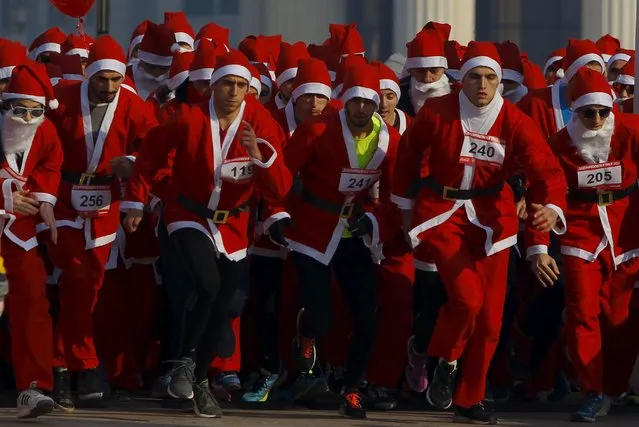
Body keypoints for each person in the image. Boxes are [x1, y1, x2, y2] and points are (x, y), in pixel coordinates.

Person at [391, 41, 568, 424]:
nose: (483, 85)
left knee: (490, 319)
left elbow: (548, 174)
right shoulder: (437, 112)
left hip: (493, 220)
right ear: (461, 80)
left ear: (500, 81)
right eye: (475, 77)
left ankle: (469, 398)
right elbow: (405, 159)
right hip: (442, 215)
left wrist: (550, 210)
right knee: (467, 300)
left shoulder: (515, 121)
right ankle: (443, 355)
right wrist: (405, 211)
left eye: (490, 78)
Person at [122, 49, 290, 418]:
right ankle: (182, 361)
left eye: (241, 86)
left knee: (225, 302)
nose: (233, 92)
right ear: (212, 86)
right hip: (188, 214)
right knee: (208, 285)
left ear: (249, 90)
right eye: (227, 84)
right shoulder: (187, 117)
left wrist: (260, 156)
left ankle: (199, 378)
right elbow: (150, 156)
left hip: (233, 224)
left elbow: (280, 189)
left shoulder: (260, 123)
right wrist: (135, 202)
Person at [266, 61, 400, 418]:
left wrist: (374, 220)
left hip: (354, 231)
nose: (360, 109)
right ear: (344, 101)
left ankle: (352, 389)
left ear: (377, 105)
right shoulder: (315, 131)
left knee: (367, 312)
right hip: (311, 229)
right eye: (354, 101)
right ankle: (307, 335)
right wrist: (276, 214)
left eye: (368, 102)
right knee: (322, 315)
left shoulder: (388, 139)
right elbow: (280, 174)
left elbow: (395, 192)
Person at [45, 35, 157, 411]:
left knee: (90, 285)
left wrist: (133, 164)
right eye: (101, 79)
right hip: (63, 198)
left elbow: (154, 148)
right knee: (76, 276)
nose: (109, 87)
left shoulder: (133, 105)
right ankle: (81, 364)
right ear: (88, 74)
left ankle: (64, 367)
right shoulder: (62, 102)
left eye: (115, 79)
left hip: (107, 202)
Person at [527, 67, 639, 422]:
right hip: (579, 233)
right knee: (582, 313)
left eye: (603, 111)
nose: (596, 119)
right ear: (574, 111)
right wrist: (539, 247)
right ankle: (592, 392)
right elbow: (544, 193)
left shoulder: (632, 132)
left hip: (626, 234)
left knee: (622, 319)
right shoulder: (559, 144)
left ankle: (613, 386)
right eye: (588, 112)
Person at [0, 61, 62, 419]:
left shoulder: (46, 133)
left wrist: (47, 203)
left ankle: (34, 386)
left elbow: (50, 167)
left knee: (34, 303)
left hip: (19, 232)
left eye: (34, 111)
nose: (26, 118)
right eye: (19, 110)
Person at [518, 39, 606, 140]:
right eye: (584, 76)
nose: (590, 83)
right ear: (569, 76)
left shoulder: (609, 107)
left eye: (597, 77)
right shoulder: (535, 103)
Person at [398, 25, 451, 116]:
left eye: (434, 71)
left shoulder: (460, 92)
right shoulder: (397, 95)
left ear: (443, 68)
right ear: (410, 70)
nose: (427, 78)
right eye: (420, 71)